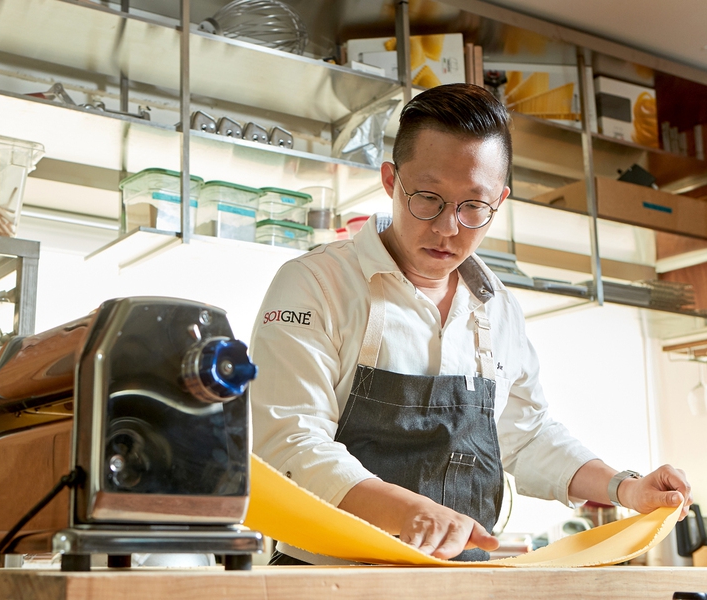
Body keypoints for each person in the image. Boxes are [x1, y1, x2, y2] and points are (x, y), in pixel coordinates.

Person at [248, 83, 693, 565]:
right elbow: (290, 441)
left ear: (498, 200)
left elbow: (525, 434)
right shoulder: (314, 284)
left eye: (473, 207)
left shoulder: (497, 307)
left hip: (462, 582)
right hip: (327, 580)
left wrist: (625, 488)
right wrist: (408, 513)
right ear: (390, 181)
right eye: (427, 198)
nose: (447, 228)